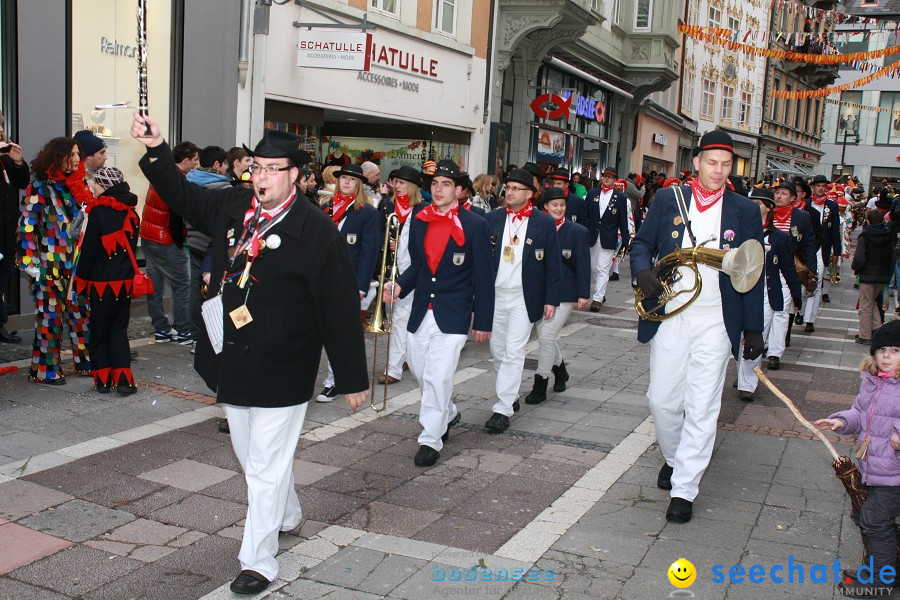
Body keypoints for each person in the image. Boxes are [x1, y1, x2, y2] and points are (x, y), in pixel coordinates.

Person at [132, 114, 369, 595]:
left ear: (297, 176)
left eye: (272, 169)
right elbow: (184, 197)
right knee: (252, 458)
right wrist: (158, 147)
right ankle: (287, 512)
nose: (260, 178)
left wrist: (352, 377)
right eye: (256, 168)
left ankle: (257, 561)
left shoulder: (317, 232)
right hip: (234, 355)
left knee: (263, 463)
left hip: (286, 363)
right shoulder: (235, 206)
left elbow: (339, 308)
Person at [630, 130, 765, 524]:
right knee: (662, 401)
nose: (719, 171)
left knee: (703, 406)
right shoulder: (668, 199)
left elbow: (751, 271)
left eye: (726, 165)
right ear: (697, 163)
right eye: (712, 162)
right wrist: (641, 270)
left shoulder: (745, 210)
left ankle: (685, 488)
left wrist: (752, 328)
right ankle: (674, 459)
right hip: (672, 314)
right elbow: (641, 243)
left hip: (717, 321)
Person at [384, 159, 493, 466]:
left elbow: (484, 277)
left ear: (458, 190)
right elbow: (417, 265)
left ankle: (431, 438)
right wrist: (399, 286)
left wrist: (482, 320)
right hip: (421, 310)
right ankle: (448, 412)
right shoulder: (420, 218)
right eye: (434, 184)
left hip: (454, 313)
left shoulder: (475, 225)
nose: (439, 189)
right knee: (420, 371)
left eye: (446, 184)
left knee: (438, 374)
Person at [815, 322, 900, 597]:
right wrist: (841, 421)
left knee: (874, 521)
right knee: (866, 517)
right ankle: (876, 568)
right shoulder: (873, 382)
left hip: (895, 473)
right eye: (883, 349)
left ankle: (881, 581)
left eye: (896, 350)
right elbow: (859, 412)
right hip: (873, 467)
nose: (887, 355)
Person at [484, 168, 561, 433]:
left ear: (530, 194)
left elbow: (552, 264)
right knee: (497, 351)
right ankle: (510, 393)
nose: (510, 192)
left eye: (517, 188)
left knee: (514, 351)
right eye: (508, 187)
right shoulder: (492, 218)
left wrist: (551, 299)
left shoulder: (544, 223)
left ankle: (502, 408)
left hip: (523, 297)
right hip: (495, 295)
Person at [17, 137, 94, 383]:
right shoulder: (40, 185)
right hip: (49, 262)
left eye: (77, 155)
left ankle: (86, 361)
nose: (75, 159)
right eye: (70, 154)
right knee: (51, 317)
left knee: (80, 312)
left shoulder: (77, 184)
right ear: (57, 156)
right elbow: (27, 223)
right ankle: (44, 370)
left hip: (76, 261)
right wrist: (30, 262)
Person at [72, 167, 139, 394]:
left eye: (97, 184)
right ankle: (123, 380)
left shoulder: (98, 212)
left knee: (99, 330)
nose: (93, 188)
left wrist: (79, 279)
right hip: (125, 280)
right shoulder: (132, 213)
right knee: (119, 328)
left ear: (105, 186)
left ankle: (102, 381)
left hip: (100, 281)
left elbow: (89, 252)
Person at [317, 163, 380, 402]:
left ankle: (333, 381)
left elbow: (369, 252)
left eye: (351, 179)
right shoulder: (325, 207)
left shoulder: (367, 212)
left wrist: (361, 286)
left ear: (359, 184)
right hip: (322, 277)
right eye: (343, 178)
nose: (345, 182)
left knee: (341, 332)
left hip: (349, 280)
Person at [523, 187, 589, 404]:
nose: (559, 209)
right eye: (554, 205)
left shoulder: (577, 231)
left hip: (566, 293)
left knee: (546, 337)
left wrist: (583, 294)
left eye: (562, 205)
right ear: (545, 207)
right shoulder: (537, 229)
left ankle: (540, 383)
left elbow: (583, 265)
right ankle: (560, 370)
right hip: (541, 291)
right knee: (546, 336)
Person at [736, 188, 801, 400]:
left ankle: (747, 383)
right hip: (737, 292)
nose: (753, 207)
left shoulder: (779, 238)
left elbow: (788, 267)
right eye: (750, 202)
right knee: (735, 339)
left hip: (764, 293)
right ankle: (742, 371)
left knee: (755, 336)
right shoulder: (736, 231)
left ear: (769, 208)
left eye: (759, 203)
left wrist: (796, 295)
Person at [139, 140, 198, 345]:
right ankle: (183, 330)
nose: (197, 164)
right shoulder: (178, 180)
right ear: (186, 160)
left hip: (148, 236)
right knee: (182, 285)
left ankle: (162, 329)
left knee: (154, 286)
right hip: (166, 239)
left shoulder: (160, 174)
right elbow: (176, 215)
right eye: (196, 160)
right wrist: (181, 239)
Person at [378, 165, 427, 385]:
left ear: (413, 187)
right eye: (395, 182)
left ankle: (394, 368)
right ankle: (405, 356)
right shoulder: (387, 206)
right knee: (395, 316)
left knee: (399, 319)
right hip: (391, 269)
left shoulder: (422, 211)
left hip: (412, 271)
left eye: (402, 183)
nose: (397, 187)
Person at [0, 111, 29, 344]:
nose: (0, 130)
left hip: (7, 232)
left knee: (3, 277)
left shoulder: (7, 157)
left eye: (0, 126)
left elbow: (22, 182)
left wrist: (18, 162)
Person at [800, 174, 842, 332]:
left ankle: (810, 319)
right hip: (804, 248)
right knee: (802, 280)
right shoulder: (805, 204)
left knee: (815, 281)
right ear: (813, 188)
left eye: (823, 186)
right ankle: (801, 310)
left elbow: (835, 230)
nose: (820, 188)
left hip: (822, 249)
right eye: (818, 186)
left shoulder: (832, 206)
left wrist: (836, 251)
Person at [585, 167, 629, 311]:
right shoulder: (592, 194)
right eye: (605, 176)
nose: (607, 178)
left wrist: (626, 240)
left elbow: (623, 221)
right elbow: (584, 216)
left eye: (610, 177)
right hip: (591, 235)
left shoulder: (621, 198)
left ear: (615, 180)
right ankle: (600, 292)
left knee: (603, 268)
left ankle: (597, 299)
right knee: (592, 268)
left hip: (608, 237)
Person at [852, 210, 895, 344]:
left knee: (865, 305)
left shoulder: (865, 236)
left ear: (869, 221)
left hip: (868, 274)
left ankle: (865, 335)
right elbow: (892, 257)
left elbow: (859, 258)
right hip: (882, 274)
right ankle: (877, 328)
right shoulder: (888, 235)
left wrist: (856, 268)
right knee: (873, 302)